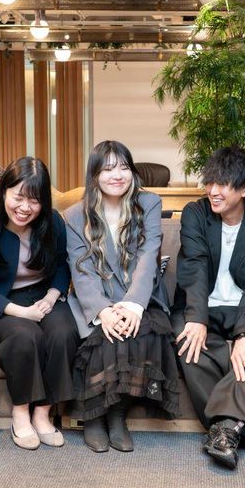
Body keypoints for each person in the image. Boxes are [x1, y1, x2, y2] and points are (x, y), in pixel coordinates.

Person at [172, 146, 245, 470]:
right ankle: (241, 427)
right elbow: (194, 266)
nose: (213, 191)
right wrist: (196, 318)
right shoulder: (195, 214)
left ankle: (224, 429)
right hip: (203, 306)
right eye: (210, 182)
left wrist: (244, 334)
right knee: (187, 342)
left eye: (222, 184)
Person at [64, 140, 179, 453]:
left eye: (124, 167)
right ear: (94, 175)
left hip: (140, 296)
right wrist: (103, 311)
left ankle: (117, 415)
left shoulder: (148, 203)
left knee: (142, 333)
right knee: (102, 337)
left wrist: (132, 305)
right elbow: (81, 270)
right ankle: (93, 417)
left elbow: (148, 255)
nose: (117, 175)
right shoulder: (75, 215)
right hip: (95, 299)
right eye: (108, 169)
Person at [0, 157, 79, 450]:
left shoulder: (53, 222)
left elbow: (63, 265)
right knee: (25, 336)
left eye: (34, 200)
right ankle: (20, 412)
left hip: (42, 295)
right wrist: (22, 313)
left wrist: (51, 297)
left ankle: (43, 413)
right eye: (18, 197)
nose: (25, 207)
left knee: (64, 331)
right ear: (3, 191)